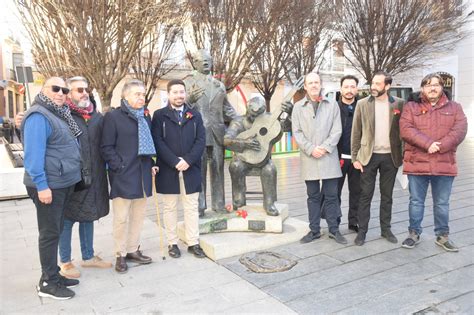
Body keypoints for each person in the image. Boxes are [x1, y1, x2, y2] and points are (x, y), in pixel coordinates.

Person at [21, 77, 81, 299]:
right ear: (43, 90)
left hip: (61, 183)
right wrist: (42, 186)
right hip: (49, 186)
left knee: (54, 230)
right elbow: (33, 156)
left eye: (64, 90)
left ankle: (54, 274)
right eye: (55, 88)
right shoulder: (39, 115)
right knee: (49, 233)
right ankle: (47, 282)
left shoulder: (58, 113)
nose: (60, 93)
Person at [400, 73, 467, 252]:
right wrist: (428, 144)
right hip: (417, 163)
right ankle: (413, 233)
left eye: (436, 85)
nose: (432, 88)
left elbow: (460, 130)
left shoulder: (455, 107)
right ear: (422, 88)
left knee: (442, 203)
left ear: (442, 87)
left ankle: (442, 236)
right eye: (428, 85)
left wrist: (440, 146)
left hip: (444, 162)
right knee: (416, 201)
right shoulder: (411, 107)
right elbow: (406, 129)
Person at [57, 76, 112, 278]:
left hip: (95, 174)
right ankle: (65, 261)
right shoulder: (63, 115)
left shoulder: (95, 116)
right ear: (69, 93)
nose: (84, 93)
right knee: (68, 218)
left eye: (86, 89)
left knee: (88, 214)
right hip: (72, 175)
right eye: (79, 90)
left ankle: (88, 257)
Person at [101, 79, 156, 273]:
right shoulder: (113, 117)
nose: (142, 98)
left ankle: (133, 250)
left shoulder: (145, 117)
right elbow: (106, 147)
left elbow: (150, 145)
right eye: (137, 94)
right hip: (123, 175)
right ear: (125, 96)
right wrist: (119, 166)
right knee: (121, 218)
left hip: (142, 174)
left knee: (139, 217)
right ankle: (120, 254)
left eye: (143, 94)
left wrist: (153, 164)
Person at [151, 79, 206, 259]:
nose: (179, 95)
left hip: (191, 168)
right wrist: (174, 161)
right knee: (170, 207)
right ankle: (172, 243)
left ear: (185, 93)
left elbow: (200, 141)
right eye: (175, 92)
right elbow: (158, 141)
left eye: (181, 92)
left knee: (191, 207)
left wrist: (188, 160)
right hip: (169, 169)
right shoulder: (159, 115)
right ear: (168, 94)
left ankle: (193, 242)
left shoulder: (195, 115)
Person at [292, 72, 347, 245]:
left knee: (332, 196)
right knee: (313, 196)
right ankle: (314, 230)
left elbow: (337, 130)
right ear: (306, 86)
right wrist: (311, 149)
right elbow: (297, 132)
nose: (314, 85)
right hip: (309, 158)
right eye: (311, 83)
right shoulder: (298, 107)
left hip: (328, 157)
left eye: (317, 82)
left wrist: (324, 148)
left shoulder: (332, 105)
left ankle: (334, 230)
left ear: (320, 84)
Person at [351, 71, 404, 246]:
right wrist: (354, 158)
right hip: (368, 157)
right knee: (365, 195)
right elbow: (356, 133)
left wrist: (404, 155)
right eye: (372, 83)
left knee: (387, 195)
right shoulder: (362, 104)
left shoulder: (399, 104)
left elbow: (403, 132)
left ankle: (385, 229)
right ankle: (362, 232)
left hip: (391, 157)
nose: (373, 87)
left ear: (387, 86)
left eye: (378, 84)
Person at [184, 49, 237, 217]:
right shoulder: (188, 84)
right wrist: (188, 101)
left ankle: (219, 204)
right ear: (195, 63)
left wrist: (241, 125)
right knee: (199, 172)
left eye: (208, 59)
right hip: (197, 134)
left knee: (218, 169)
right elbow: (180, 109)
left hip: (217, 133)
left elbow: (229, 112)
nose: (205, 62)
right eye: (201, 60)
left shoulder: (219, 85)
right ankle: (199, 206)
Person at [224, 97, 292, 216]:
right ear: (247, 109)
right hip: (243, 159)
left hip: (263, 160)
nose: (255, 118)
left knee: (270, 169)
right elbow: (226, 140)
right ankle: (238, 199)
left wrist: (289, 115)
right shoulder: (238, 121)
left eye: (258, 115)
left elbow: (284, 128)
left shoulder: (269, 119)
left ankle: (269, 203)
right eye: (252, 115)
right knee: (235, 165)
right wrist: (244, 143)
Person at [336, 75, 361, 232]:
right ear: (341, 89)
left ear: (357, 89)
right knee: (334, 192)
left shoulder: (363, 107)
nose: (349, 90)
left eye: (352, 87)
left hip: (358, 159)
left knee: (357, 191)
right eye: (346, 87)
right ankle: (335, 221)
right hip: (338, 158)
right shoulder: (333, 108)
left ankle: (354, 221)